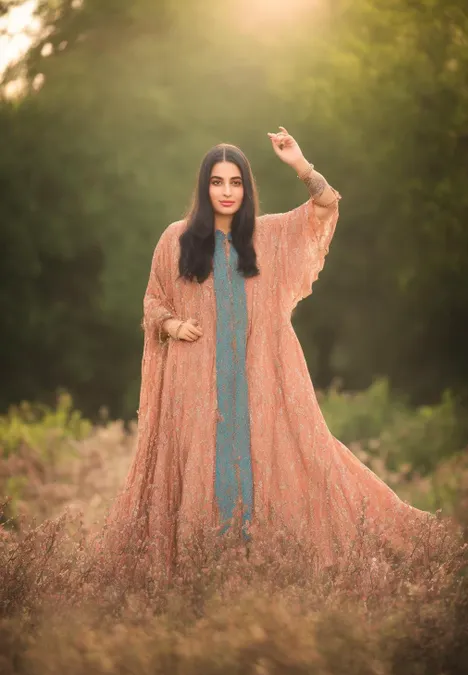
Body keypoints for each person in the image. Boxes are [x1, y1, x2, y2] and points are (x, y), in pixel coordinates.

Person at [102, 127, 434, 577]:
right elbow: (153, 299)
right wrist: (172, 324)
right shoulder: (176, 239)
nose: (226, 191)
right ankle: (202, 574)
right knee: (202, 470)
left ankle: (270, 570)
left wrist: (300, 164)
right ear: (204, 187)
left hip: (265, 377)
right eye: (217, 182)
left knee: (297, 457)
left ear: (246, 187)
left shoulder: (269, 236)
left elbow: (325, 206)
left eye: (235, 182)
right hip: (196, 385)